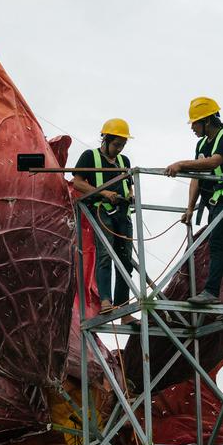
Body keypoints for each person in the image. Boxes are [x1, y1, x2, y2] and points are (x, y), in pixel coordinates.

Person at [164, 97, 223, 307]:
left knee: (217, 243)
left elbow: (215, 161)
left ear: (207, 121)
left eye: (195, 123)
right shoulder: (201, 144)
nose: (192, 127)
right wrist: (190, 208)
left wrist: (181, 164)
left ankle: (210, 291)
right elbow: (197, 177)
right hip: (213, 201)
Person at [73, 118, 136, 315]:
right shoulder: (90, 157)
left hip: (122, 215)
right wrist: (103, 193)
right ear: (106, 140)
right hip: (102, 213)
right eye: (117, 144)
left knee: (125, 260)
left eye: (123, 145)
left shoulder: (124, 161)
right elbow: (78, 183)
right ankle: (106, 300)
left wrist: (130, 194)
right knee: (105, 256)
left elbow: (129, 183)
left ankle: (123, 309)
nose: (119, 149)